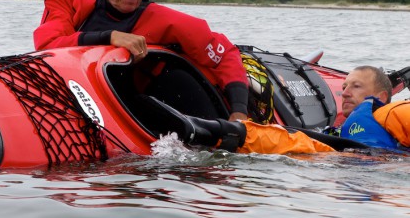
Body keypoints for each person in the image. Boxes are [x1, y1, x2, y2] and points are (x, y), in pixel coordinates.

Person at [34, 0, 249, 121]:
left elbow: (224, 53)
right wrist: (111, 37)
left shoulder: (163, 19)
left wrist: (239, 111)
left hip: (129, 108)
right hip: (68, 98)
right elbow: (47, 45)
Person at [151, 65, 409, 154]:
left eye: (356, 86)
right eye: (344, 85)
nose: (346, 92)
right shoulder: (346, 124)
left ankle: (207, 131)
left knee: (286, 138)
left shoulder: (387, 112)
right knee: (290, 136)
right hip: (346, 159)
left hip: (363, 162)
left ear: (381, 96)